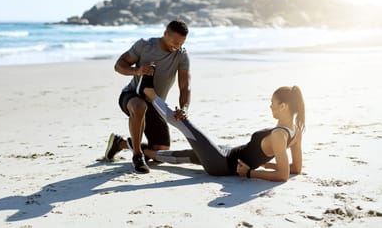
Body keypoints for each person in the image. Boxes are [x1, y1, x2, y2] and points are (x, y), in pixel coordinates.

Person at [135, 72, 305, 182]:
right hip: (228, 153)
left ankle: (150, 94)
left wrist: (249, 173)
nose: (270, 106)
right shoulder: (295, 131)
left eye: (272, 103)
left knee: (183, 123)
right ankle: (138, 149)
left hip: (221, 163)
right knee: (185, 155)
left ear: (283, 106)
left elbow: (283, 176)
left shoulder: (279, 135)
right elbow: (296, 169)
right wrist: (269, 165)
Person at [104, 20, 191, 173]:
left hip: (155, 104)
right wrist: (137, 70)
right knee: (140, 106)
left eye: (181, 43)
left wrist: (184, 108)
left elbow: (185, 87)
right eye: (175, 42)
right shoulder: (145, 46)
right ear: (165, 34)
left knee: (160, 151)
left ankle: (121, 143)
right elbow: (119, 65)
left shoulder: (181, 55)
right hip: (132, 96)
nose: (177, 46)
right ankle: (137, 156)